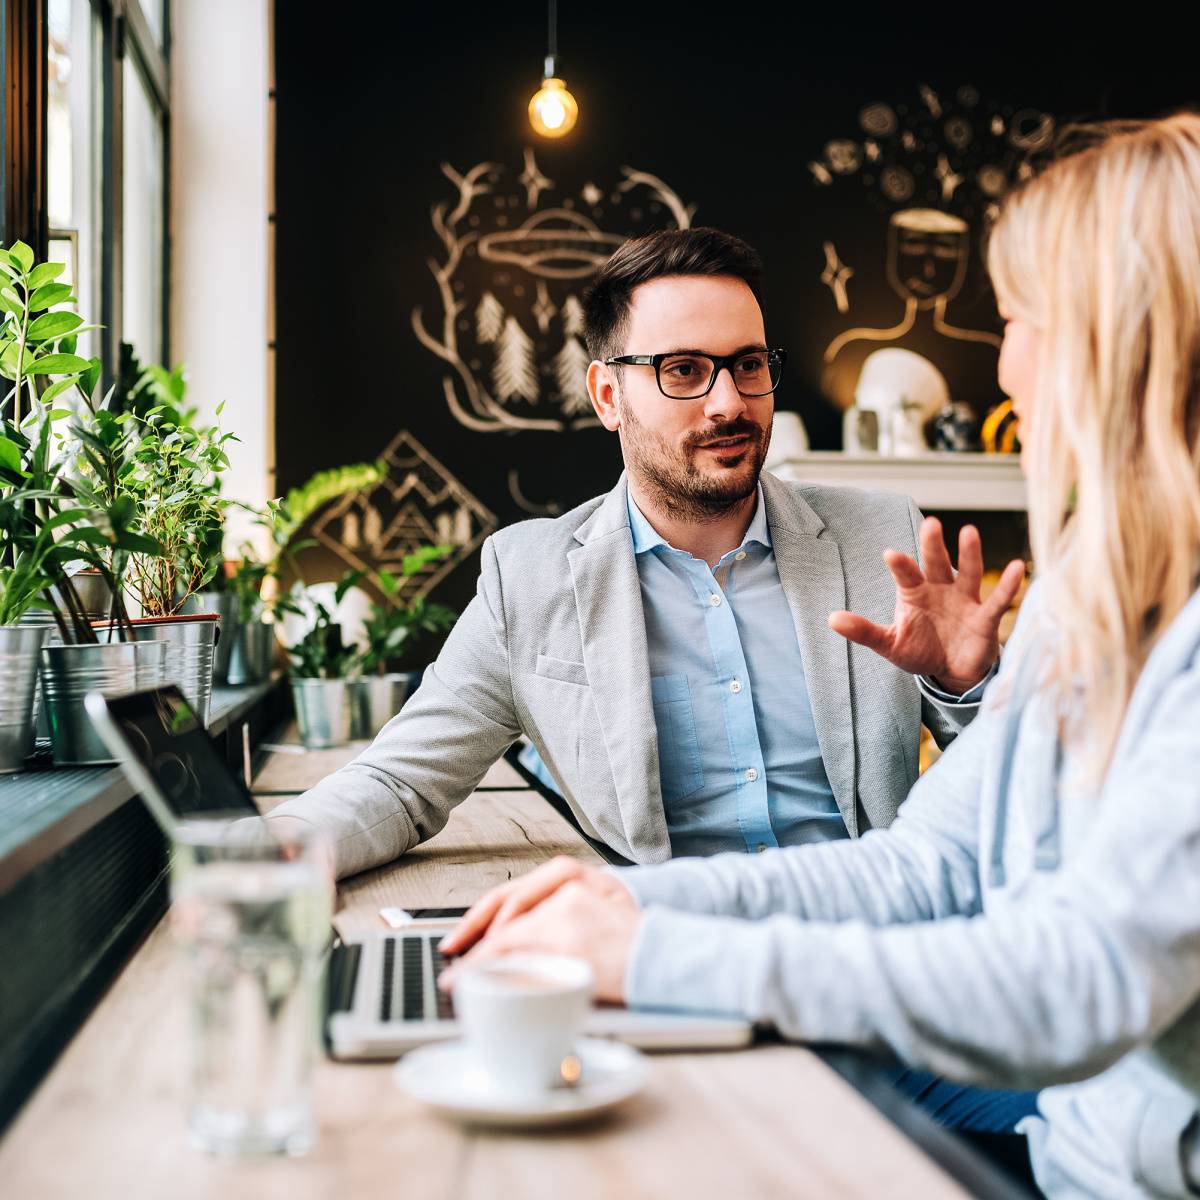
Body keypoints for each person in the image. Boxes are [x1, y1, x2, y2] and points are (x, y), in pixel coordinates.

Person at [440, 115, 1200, 1199]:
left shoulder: (912, 537)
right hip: (1061, 1146)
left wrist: (653, 958)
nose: (1005, 359)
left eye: (1023, 316)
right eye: (686, 369)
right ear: (608, 394)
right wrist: (626, 910)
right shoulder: (1096, 584)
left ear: (1125, 337)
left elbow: (1077, 979)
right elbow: (925, 863)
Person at [267, 227, 1022, 879]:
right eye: (684, 370)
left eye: (748, 364)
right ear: (606, 396)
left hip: (868, 946)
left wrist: (968, 688)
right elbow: (402, 784)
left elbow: (1015, 790)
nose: (729, 402)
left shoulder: (881, 536)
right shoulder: (529, 579)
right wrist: (248, 858)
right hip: (670, 962)